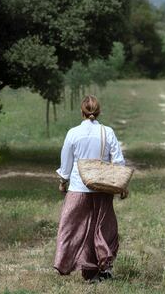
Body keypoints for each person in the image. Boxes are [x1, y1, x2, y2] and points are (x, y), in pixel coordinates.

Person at [53, 94, 127, 283]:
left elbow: (66, 161)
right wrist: (122, 185)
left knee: (73, 229)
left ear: (82, 112)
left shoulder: (73, 133)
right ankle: (104, 268)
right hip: (102, 188)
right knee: (103, 228)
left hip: (78, 188)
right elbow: (118, 160)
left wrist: (63, 181)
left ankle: (86, 270)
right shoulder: (107, 131)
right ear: (98, 111)